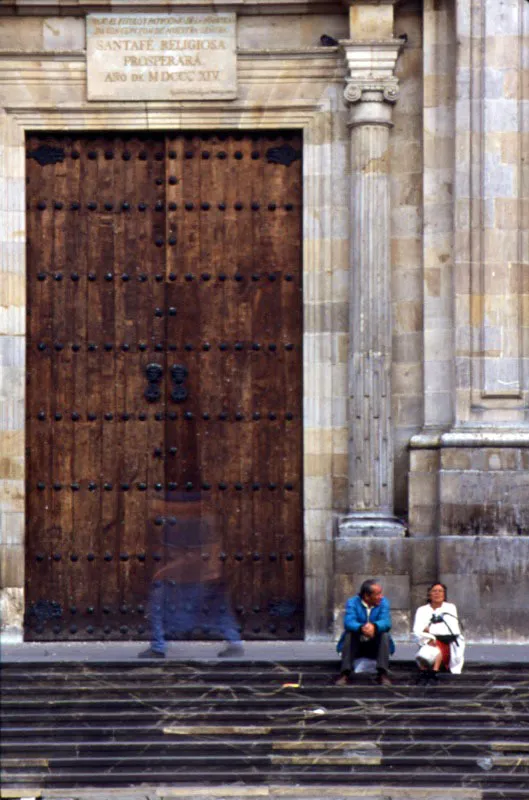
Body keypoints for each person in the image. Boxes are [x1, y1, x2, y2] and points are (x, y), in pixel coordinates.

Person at [138, 492, 244, 659]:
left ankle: (158, 646)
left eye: (157, 507)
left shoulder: (186, 525)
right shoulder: (198, 522)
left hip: (193, 576)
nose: (153, 511)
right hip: (207, 574)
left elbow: (192, 556)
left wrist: (164, 571)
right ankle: (234, 641)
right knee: (219, 610)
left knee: (158, 606)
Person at [335, 579, 395, 686]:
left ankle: (382, 674)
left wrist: (374, 626)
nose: (381, 596)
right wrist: (362, 628)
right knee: (349, 634)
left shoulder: (383, 602)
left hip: (375, 645)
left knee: (384, 634)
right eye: (377, 594)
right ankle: (345, 673)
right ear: (367, 596)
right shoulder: (352, 602)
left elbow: (386, 622)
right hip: (357, 644)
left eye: (381, 593)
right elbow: (349, 622)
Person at [413, 582, 465, 677]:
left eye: (440, 591)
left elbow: (453, 629)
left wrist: (430, 631)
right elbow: (417, 631)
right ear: (429, 594)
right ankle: (428, 671)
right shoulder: (421, 610)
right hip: (426, 642)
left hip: (447, 643)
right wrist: (429, 639)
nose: (437, 593)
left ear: (444, 594)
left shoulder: (450, 608)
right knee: (428, 649)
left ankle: (434, 670)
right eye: (434, 591)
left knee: (436, 647)